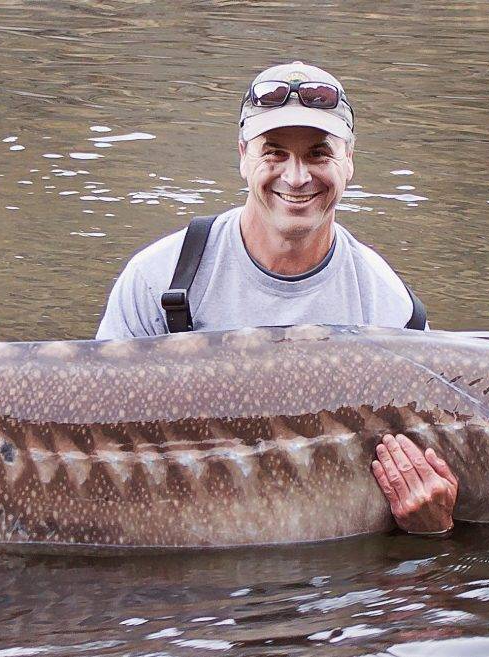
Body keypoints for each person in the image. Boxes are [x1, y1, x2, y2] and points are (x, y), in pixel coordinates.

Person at [93, 61, 455, 533]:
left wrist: (436, 524)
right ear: (243, 155)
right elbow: (95, 429)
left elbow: (435, 470)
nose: (298, 176)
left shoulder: (391, 308)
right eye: (275, 152)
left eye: (319, 154)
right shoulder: (159, 280)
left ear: (349, 161)